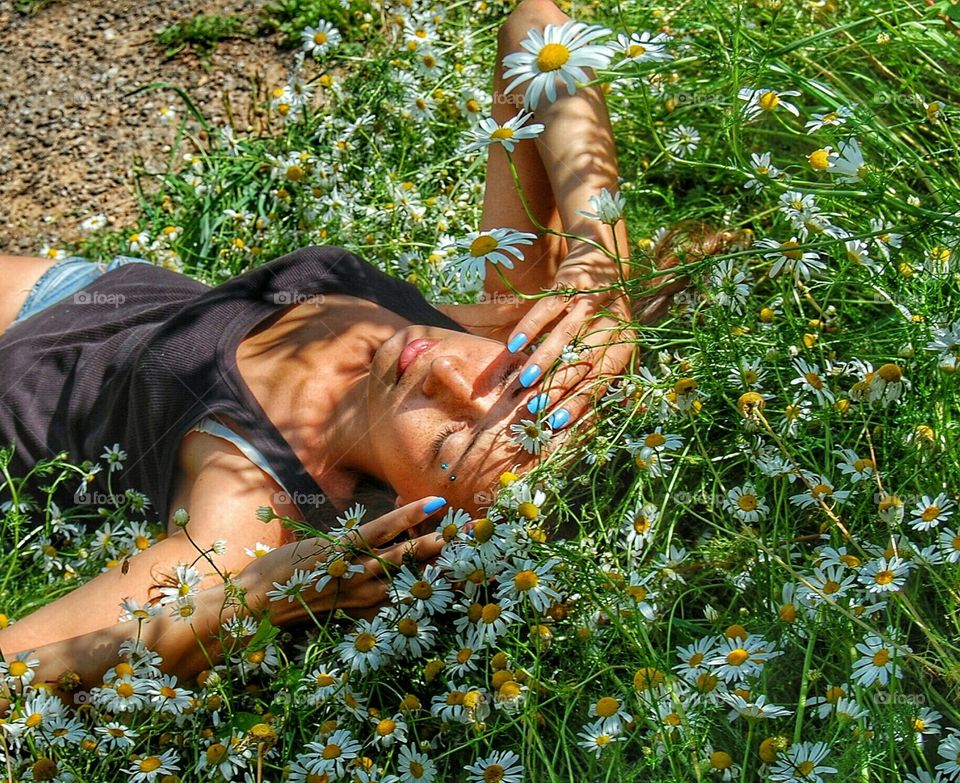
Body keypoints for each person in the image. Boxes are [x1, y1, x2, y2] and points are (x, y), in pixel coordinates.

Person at [0, 0, 708, 708]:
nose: (448, 376)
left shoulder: (252, 513)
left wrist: (245, 604)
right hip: (88, 289)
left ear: (415, 515)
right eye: (512, 374)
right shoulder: (501, 324)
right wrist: (600, 262)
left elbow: (13, 675)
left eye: (454, 444)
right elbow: (536, 30)